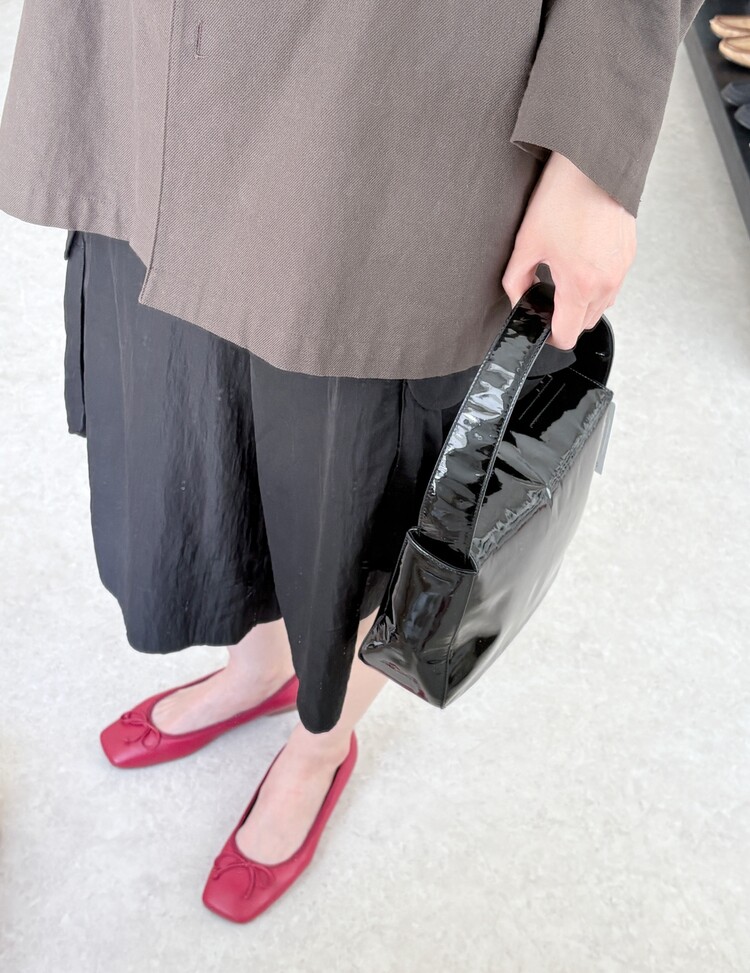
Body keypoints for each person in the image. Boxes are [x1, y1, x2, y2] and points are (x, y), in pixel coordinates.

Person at [0, 0, 704, 923]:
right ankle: (260, 665)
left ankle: (321, 740)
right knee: (193, 411)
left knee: (360, 478)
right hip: (151, 51)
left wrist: (591, 158)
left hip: (388, 81)